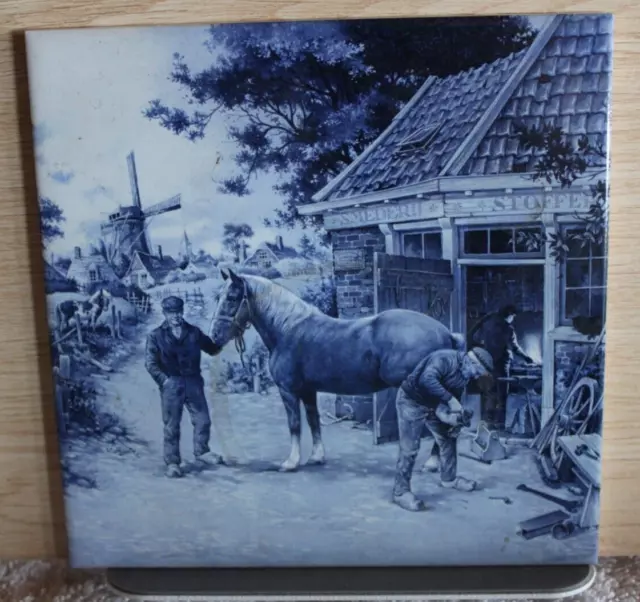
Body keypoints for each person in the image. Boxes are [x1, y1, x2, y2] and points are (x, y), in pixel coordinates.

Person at [392, 346, 494, 512]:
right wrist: (451, 400)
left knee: (448, 438)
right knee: (409, 448)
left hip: (434, 404)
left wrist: (456, 419)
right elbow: (426, 379)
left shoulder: (464, 376)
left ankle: (449, 479)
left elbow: (448, 406)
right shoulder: (444, 358)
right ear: (469, 361)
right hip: (412, 401)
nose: (476, 376)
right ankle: (400, 492)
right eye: (477, 371)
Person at [145, 295, 224, 478]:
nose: (176, 316)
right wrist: (164, 381)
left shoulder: (194, 332)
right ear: (165, 314)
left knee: (203, 419)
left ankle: (202, 452)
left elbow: (212, 349)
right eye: (171, 313)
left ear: (183, 312)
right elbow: (150, 364)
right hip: (171, 384)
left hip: (194, 382)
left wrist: (223, 336)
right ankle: (172, 462)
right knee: (172, 425)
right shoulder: (155, 336)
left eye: (179, 312)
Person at [468, 305, 538, 429]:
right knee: (501, 395)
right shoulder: (507, 328)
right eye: (513, 316)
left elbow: (473, 335)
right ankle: (499, 425)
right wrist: (527, 358)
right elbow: (515, 347)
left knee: (489, 393)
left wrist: (480, 347)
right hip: (501, 363)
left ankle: (487, 424)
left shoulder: (487, 322)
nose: (513, 319)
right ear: (510, 314)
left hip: (486, 362)